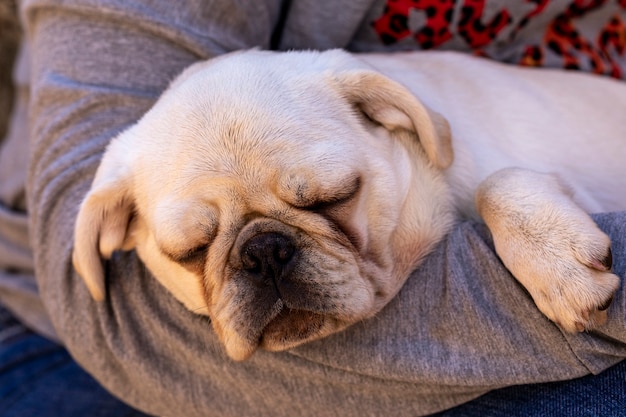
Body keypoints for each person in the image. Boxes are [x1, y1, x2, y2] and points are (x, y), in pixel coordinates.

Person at [1, 0, 625, 415]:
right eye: (195, 248)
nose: (268, 264)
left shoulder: (379, 111)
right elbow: (112, 320)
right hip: (44, 348)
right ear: (120, 228)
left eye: (326, 200)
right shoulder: (132, 170)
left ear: (397, 118)